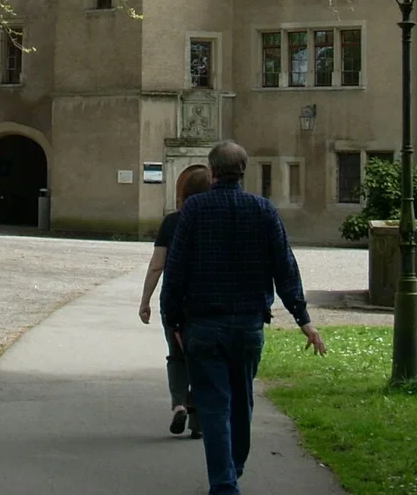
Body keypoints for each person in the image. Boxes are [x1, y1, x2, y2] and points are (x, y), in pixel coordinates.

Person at [160, 140, 326, 495]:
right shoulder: (262, 210)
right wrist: (303, 318)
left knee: (215, 405)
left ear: (213, 171)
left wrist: (171, 319)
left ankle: (224, 482)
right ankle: (232, 469)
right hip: (249, 324)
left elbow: (175, 271)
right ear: (244, 171)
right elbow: (285, 267)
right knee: (241, 401)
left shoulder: (194, 211)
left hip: (203, 324)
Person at [138, 164, 212, 438]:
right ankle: (199, 424)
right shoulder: (213, 220)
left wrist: (145, 300)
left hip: (175, 301)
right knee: (204, 360)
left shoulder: (172, 222)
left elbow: (157, 265)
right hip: (205, 301)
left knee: (176, 356)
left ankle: (179, 403)